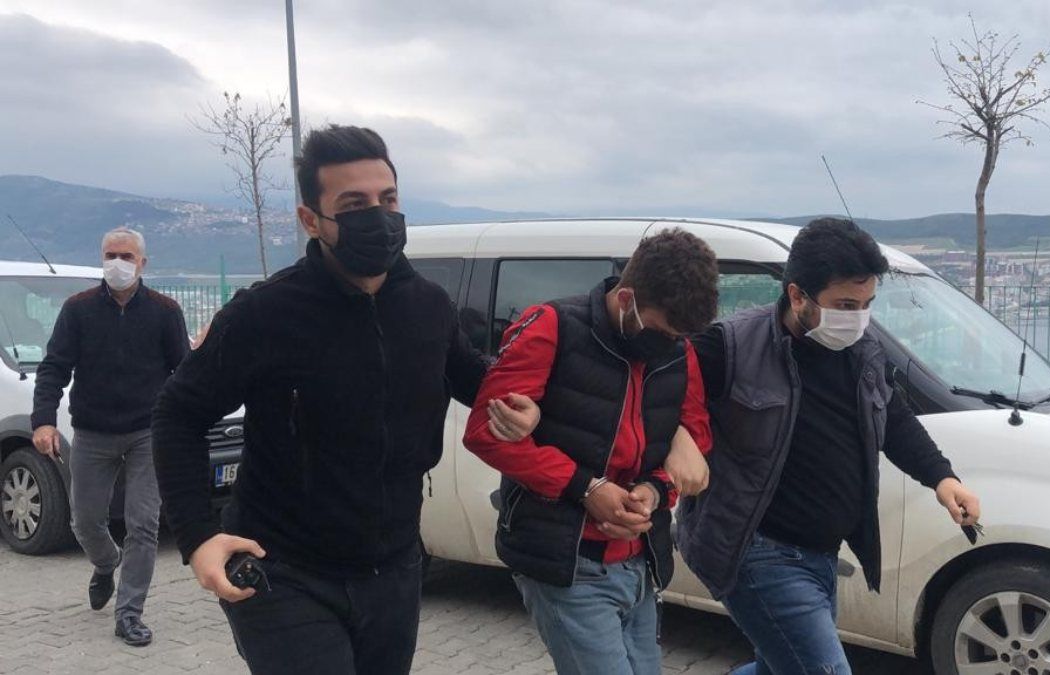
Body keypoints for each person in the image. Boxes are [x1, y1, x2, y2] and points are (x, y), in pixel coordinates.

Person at [151, 125, 537, 674]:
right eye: (354, 205)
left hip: (395, 569)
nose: (378, 216)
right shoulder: (265, 313)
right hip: (283, 570)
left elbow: (474, 379)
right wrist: (197, 537)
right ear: (311, 220)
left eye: (388, 199)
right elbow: (178, 414)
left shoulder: (428, 306)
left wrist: (522, 403)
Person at [676, 218, 982, 675]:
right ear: (798, 295)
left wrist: (942, 478)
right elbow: (655, 386)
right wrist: (678, 439)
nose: (857, 318)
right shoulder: (731, 346)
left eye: (867, 305)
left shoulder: (862, 350)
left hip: (822, 553)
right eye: (844, 305)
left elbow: (893, 418)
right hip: (758, 549)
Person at [463, 229, 718, 675]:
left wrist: (654, 492)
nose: (669, 345)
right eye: (662, 332)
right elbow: (486, 432)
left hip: (640, 558)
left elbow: (694, 437)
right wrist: (586, 487)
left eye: (679, 337)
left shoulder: (679, 349)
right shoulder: (552, 326)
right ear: (627, 300)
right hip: (567, 560)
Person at [31, 227, 189, 647]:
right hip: (92, 432)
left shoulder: (165, 311)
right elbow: (54, 367)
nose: (117, 263)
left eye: (126, 256)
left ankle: (129, 613)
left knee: (143, 523)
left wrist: (186, 423)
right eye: (110, 255)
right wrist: (43, 421)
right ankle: (106, 563)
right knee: (84, 521)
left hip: (146, 433)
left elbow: (184, 372)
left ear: (142, 263)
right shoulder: (78, 309)